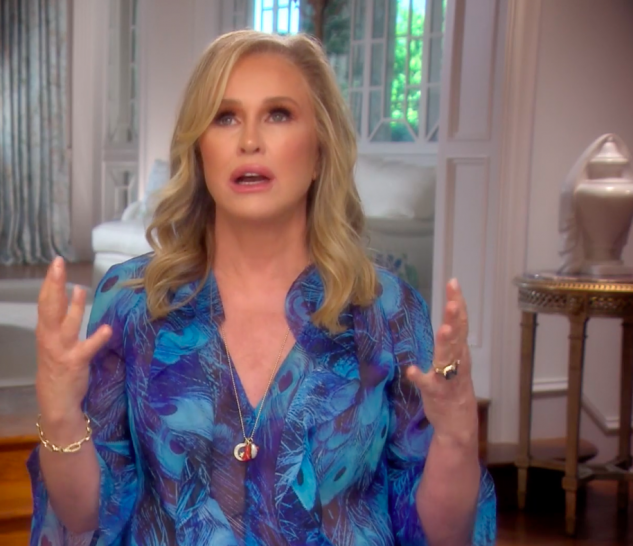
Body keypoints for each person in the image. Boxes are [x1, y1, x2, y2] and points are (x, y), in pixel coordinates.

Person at [28, 29, 496, 546]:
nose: (249, 140)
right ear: (199, 150)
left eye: (278, 114)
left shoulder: (385, 311)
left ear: (319, 151)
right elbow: (84, 515)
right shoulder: (133, 302)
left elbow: (442, 534)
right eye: (225, 117)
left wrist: (457, 436)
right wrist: (59, 413)